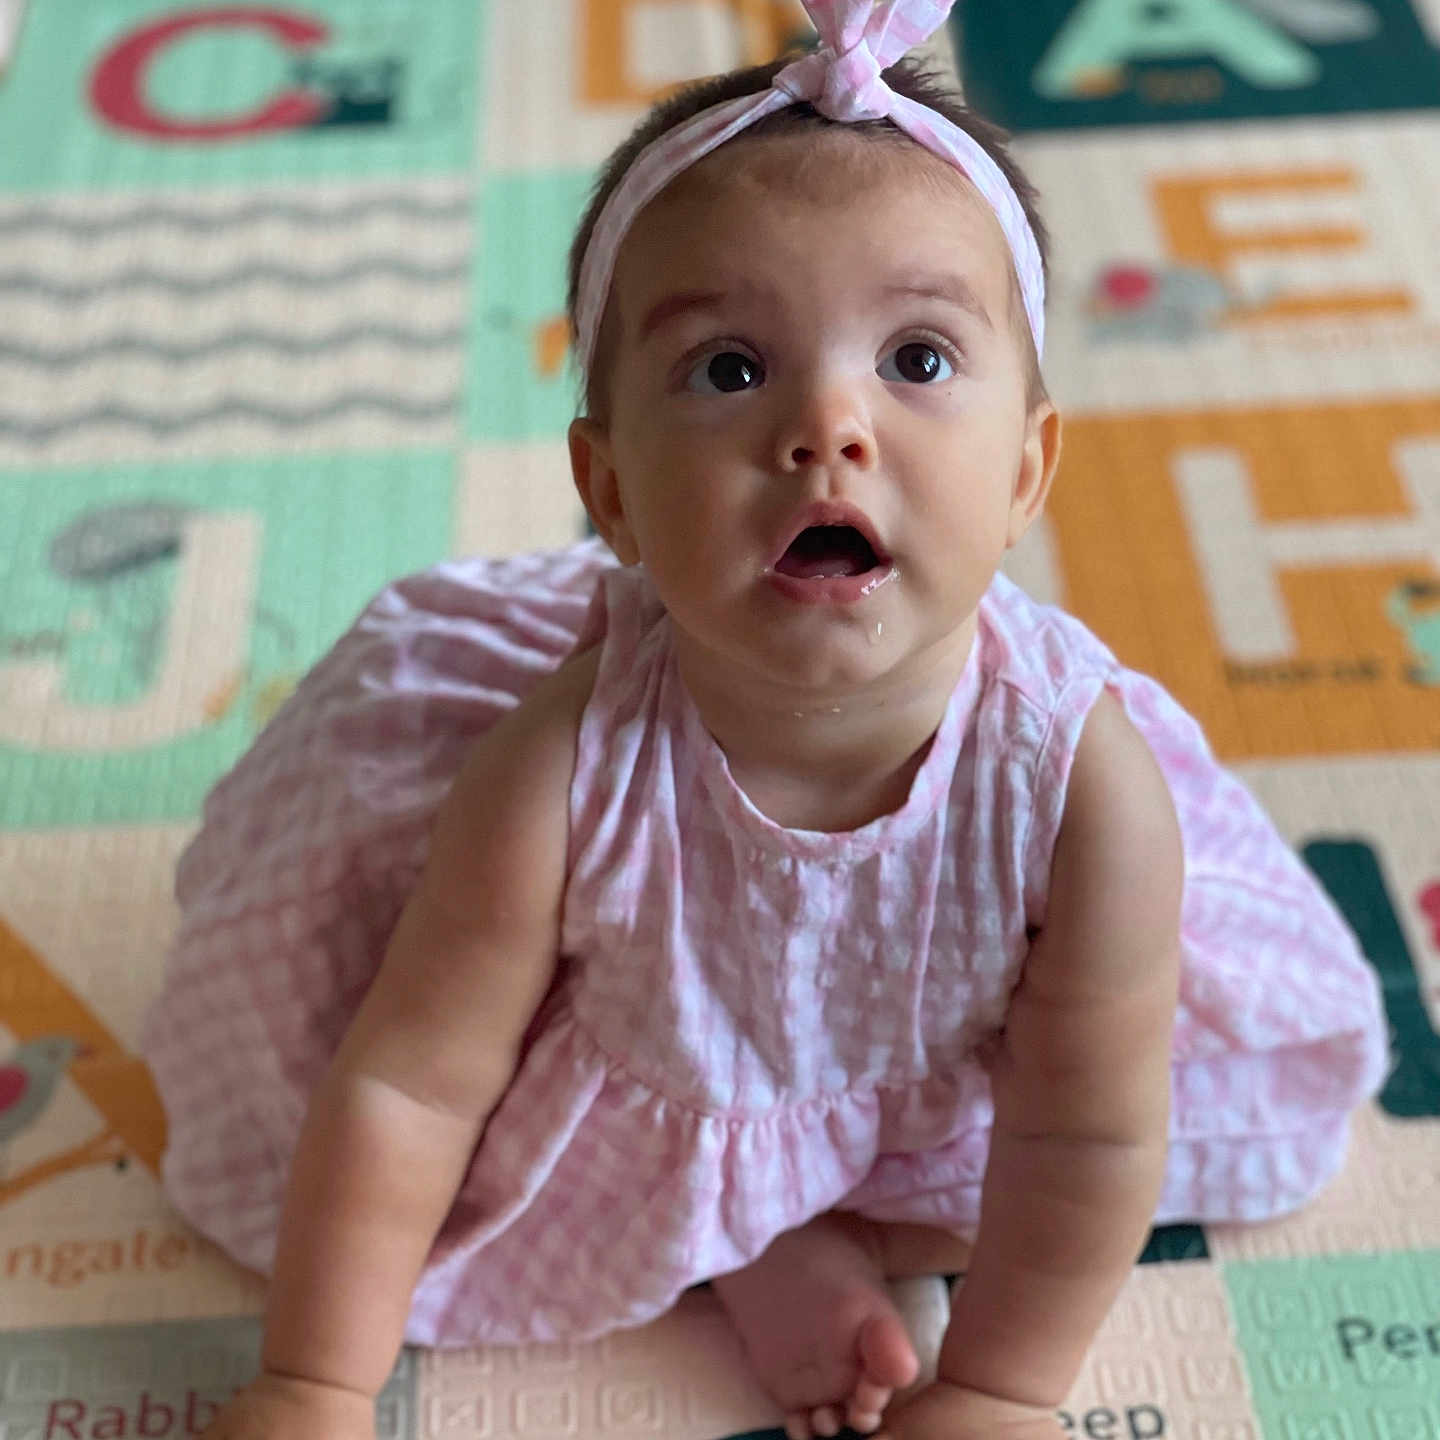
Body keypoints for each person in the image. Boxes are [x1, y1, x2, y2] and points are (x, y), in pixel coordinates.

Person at [140, 3, 1390, 1438]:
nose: (828, 429)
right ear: (611, 494)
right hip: (648, 1091)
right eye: (730, 369)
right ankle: (752, 1239)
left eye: (918, 360)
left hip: (946, 1096)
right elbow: (414, 1093)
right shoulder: (561, 771)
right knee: (403, 1162)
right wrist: (313, 1382)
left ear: (1027, 471)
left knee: (1102, 1157)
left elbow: (1084, 1131)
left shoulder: (1081, 791)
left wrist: (997, 1389)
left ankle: (804, 1229)